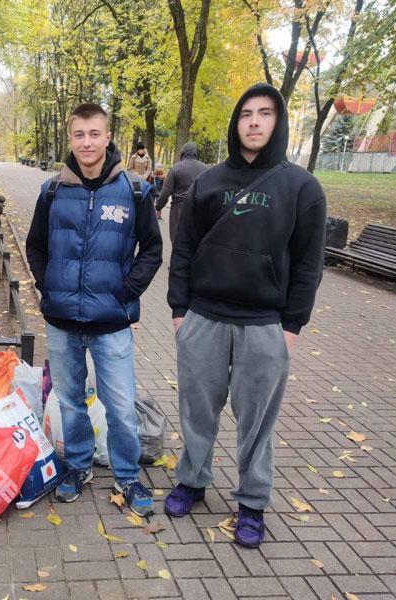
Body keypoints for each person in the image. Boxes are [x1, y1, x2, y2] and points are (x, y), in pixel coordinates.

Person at [165, 83, 326, 547]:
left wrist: (291, 326)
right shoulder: (208, 182)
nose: (254, 122)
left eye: (265, 113)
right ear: (236, 123)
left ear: (279, 122)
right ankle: (193, 480)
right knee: (197, 410)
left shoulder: (302, 188)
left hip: (264, 325)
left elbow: (309, 263)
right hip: (203, 318)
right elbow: (184, 249)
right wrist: (179, 311)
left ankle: (252, 503)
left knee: (256, 420)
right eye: (246, 114)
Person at [26, 103, 163, 517]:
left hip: (112, 322)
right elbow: (35, 246)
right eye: (79, 134)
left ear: (108, 137)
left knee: (120, 406)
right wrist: (49, 285)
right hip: (62, 321)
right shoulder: (52, 191)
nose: (87, 143)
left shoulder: (134, 191)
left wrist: (126, 291)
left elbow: (152, 249)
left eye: (94, 134)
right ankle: (78, 466)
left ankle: (127, 476)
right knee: (70, 402)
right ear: (71, 138)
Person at [156, 142, 207, 243]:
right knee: (196, 242)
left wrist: (158, 206)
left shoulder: (176, 168)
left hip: (179, 210)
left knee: (178, 241)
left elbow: (166, 192)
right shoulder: (205, 169)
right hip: (199, 210)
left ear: (183, 152)